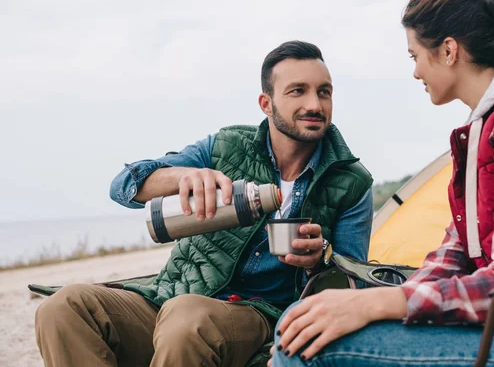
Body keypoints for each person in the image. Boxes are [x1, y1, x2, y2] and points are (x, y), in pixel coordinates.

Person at [271, 0, 494, 367]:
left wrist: (382, 303)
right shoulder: (488, 125)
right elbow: (455, 252)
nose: (414, 72)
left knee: (309, 348)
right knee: (300, 324)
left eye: (414, 56)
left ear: (448, 50)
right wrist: (360, 302)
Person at [34, 40, 374, 367]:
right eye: (298, 91)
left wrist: (320, 258)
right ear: (266, 104)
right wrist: (182, 176)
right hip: (168, 296)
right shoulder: (225, 147)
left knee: (187, 318)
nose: (315, 105)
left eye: (324, 92)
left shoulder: (351, 181)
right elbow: (123, 186)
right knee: (64, 306)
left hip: (257, 315)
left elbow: (351, 284)